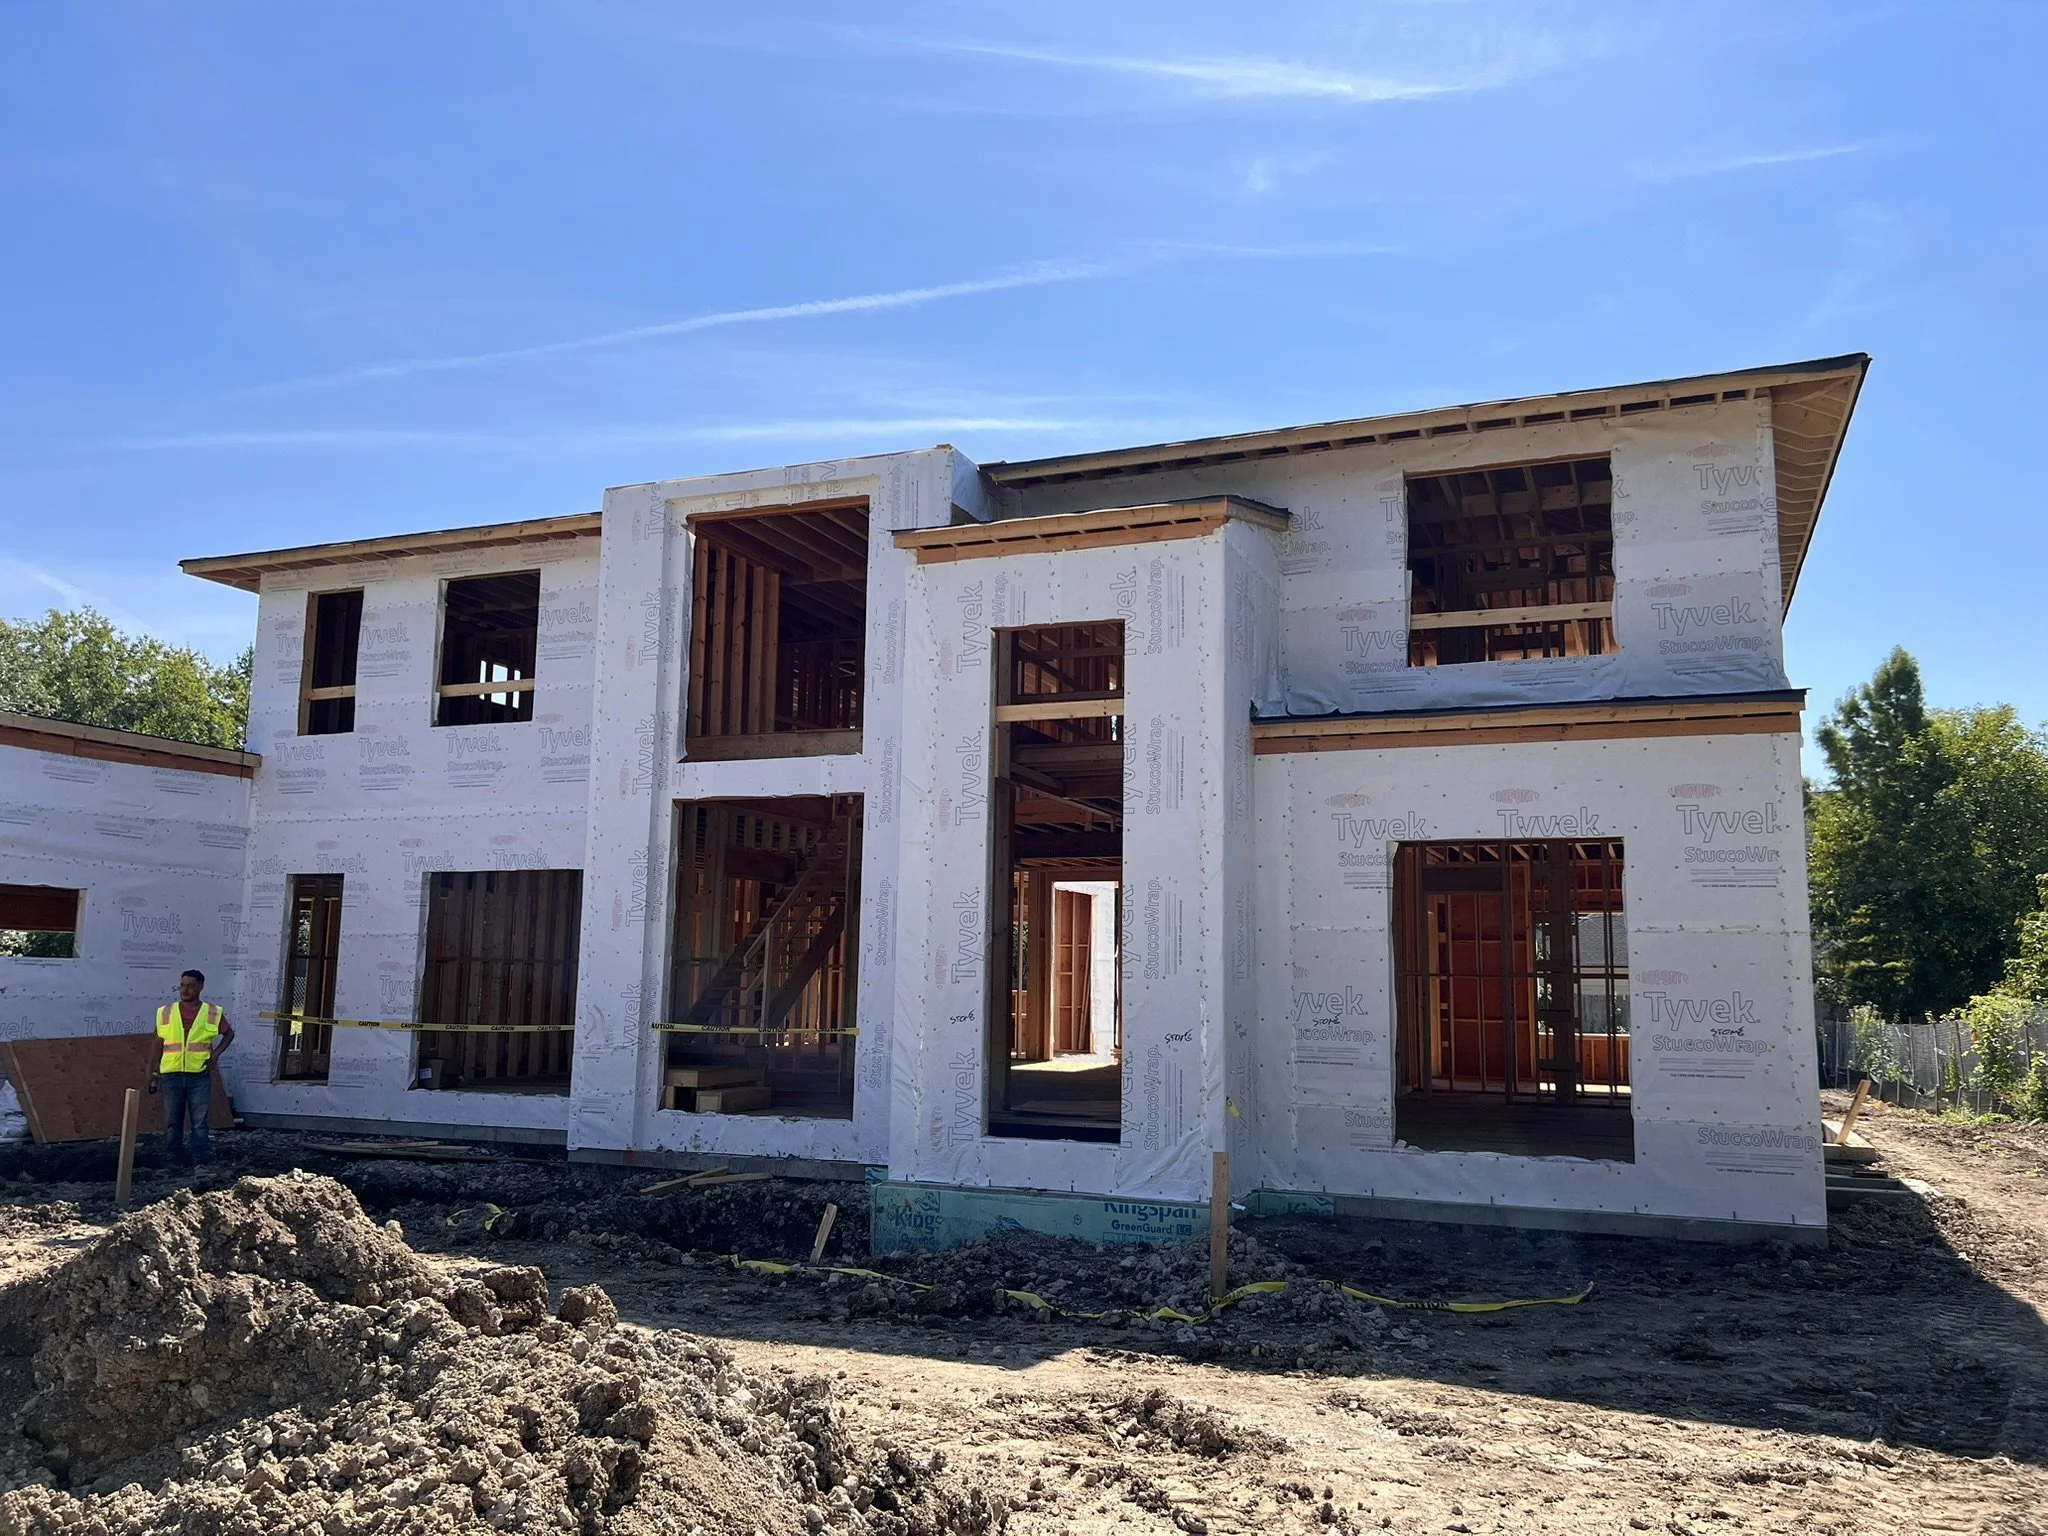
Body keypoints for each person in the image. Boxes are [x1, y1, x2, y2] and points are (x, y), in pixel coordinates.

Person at [151, 968, 234, 1168]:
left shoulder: (212, 1012)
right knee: (173, 1121)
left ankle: (200, 1160)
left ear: (200, 987)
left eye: (190, 986)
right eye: (182, 985)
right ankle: (173, 1160)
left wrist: (215, 1054)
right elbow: (157, 1042)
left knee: (199, 1122)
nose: (185, 990)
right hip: (171, 1074)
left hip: (199, 1074)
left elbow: (229, 1034)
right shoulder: (165, 1012)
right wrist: (153, 1072)